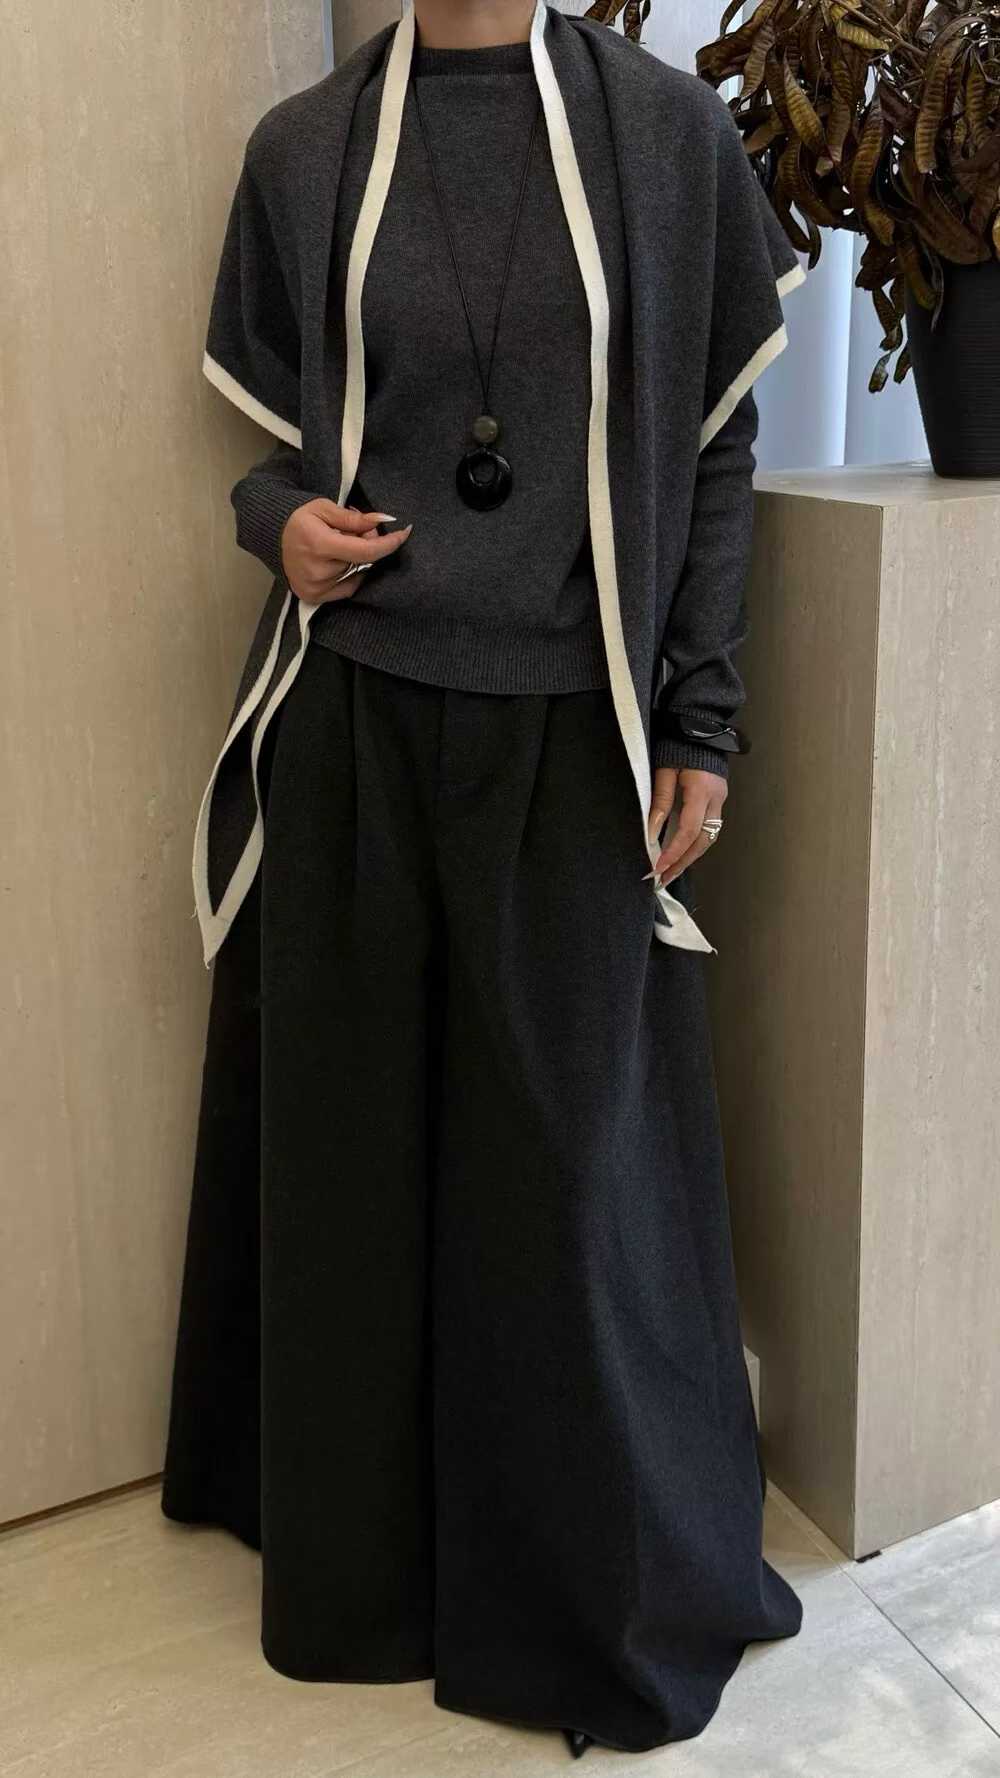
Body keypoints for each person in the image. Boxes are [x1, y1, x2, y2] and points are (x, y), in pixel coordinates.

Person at [162, 0, 807, 1758]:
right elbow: (270, 454)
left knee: (564, 1176)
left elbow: (719, 447)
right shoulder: (305, 152)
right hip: (357, 726)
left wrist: (705, 718)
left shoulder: (669, 138)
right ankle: (364, 1578)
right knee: (358, 1164)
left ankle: (571, 1587)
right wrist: (275, 525)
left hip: (572, 738)